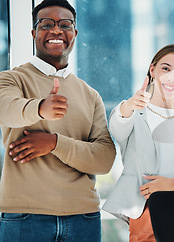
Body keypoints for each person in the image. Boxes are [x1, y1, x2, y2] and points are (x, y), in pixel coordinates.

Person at [0, 0, 116, 241]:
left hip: (83, 217)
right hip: (24, 216)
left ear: (74, 33)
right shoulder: (11, 79)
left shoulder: (90, 94)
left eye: (65, 24)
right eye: (46, 24)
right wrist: (41, 108)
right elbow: (7, 110)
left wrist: (54, 143)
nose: (56, 30)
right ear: (34, 33)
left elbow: (104, 159)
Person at [103, 44, 174, 241]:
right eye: (165, 69)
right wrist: (129, 104)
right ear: (152, 70)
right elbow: (118, 125)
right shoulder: (134, 115)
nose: (171, 78)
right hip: (146, 213)